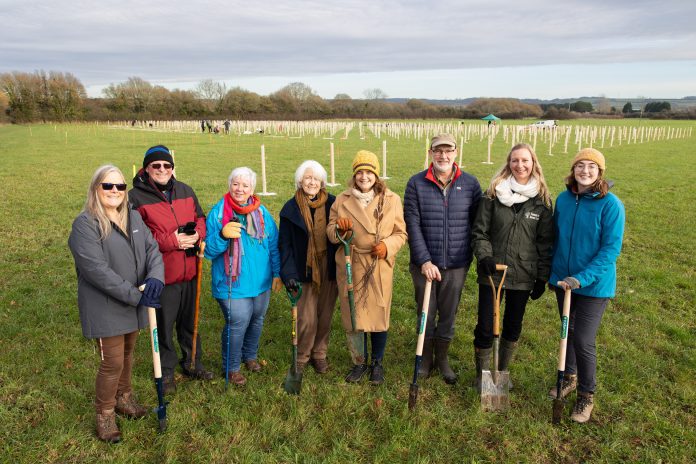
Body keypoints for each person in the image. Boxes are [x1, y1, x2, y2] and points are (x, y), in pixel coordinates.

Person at [68, 165, 165, 443]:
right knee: (111, 362)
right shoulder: (85, 224)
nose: (114, 191)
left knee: (128, 353)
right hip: (106, 305)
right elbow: (97, 271)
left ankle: (124, 398)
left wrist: (156, 278)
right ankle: (105, 413)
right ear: (96, 189)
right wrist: (138, 296)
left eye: (120, 187)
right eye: (107, 186)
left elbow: (152, 251)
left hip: (134, 303)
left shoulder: (133, 217)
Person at [548, 148, 625, 423]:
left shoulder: (611, 204)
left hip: (593, 285)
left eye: (591, 167)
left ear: (600, 172)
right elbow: (556, 239)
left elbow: (610, 250)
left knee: (582, 339)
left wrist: (582, 277)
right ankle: (568, 377)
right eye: (580, 165)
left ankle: (586, 395)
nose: (585, 171)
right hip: (563, 281)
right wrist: (553, 274)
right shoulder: (564, 199)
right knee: (566, 331)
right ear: (573, 170)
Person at [129, 145, 212, 395]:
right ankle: (166, 371)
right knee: (164, 325)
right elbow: (139, 236)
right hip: (162, 275)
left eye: (167, 165)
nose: (162, 169)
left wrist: (197, 234)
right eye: (156, 166)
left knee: (190, 321)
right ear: (146, 168)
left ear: (172, 168)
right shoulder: (135, 198)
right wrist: (172, 241)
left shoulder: (185, 190)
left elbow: (200, 217)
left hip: (190, 270)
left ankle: (192, 362)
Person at [471, 143, 554, 390]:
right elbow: (480, 231)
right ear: (509, 163)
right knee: (485, 327)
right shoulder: (493, 195)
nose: (520, 165)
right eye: (515, 160)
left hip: (523, 273)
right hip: (492, 271)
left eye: (525, 161)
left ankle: (502, 373)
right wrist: (484, 256)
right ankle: (483, 375)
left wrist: (542, 276)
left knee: (513, 325)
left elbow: (545, 242)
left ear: (533, 164)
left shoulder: (541, 202)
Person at [404, 133, 482, 384]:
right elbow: (412, 224)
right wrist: (424, 260)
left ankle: (443, 359)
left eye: (448, 151)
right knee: (426, 312)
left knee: (448, 315)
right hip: (424, 264)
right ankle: (425, 359)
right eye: (438, 151)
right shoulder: (416, 183)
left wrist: (467, 257)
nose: (443, 156)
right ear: (430, 153)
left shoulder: (470, 184)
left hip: (456, 264)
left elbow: (477, 224)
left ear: (456, 152)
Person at [328, 150, 407, 385]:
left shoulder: (391, 199)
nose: (364, 177)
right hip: (351, 263)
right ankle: (359, 362)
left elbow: (401, 233)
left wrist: (387, 246)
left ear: (376, 175)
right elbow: (330, 232)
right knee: (353, 315)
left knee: (379, 316)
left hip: (378, 265)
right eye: (360, 172)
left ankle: (377, 363)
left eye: (369, 172)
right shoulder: (341, 200)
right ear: (354, 175)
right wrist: (339, 232)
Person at [205, 167, 283, 386]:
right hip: (231, 283)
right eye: (235, 184)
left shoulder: (262, 213)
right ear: (229, 185)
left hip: (261, 281)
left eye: (245, 185)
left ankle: (250, 356)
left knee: (257, 319)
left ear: (252, 189)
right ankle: (231, 367)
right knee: (238, 321)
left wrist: (277, 273)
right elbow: (207, 251)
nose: (240, 189)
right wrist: (222, 235)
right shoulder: (218, 213)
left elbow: (273, 245)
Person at [279, 161, 339, 374]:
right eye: (307, 178)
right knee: (306, 317)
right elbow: (284, 246)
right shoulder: (290, 209)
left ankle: (319, 354)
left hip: (328, 267)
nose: (312, 182)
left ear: (322, 182)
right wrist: (288, 275)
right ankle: (303, 355)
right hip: (302, 269)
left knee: (325, 314)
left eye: (316, 178)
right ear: (300, 181)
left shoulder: (334, 204)